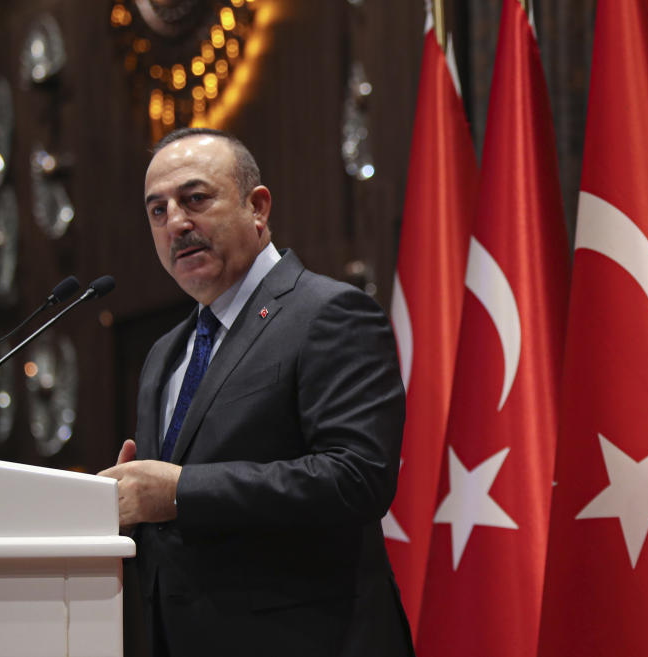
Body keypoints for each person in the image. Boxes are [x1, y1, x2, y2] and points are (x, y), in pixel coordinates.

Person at [98, 127, 414, 657]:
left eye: (195, 198)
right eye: (158, 211)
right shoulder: (164, 355)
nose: (176, 222)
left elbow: (358, 477)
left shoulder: (328, 313)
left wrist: (177, 491)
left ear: (257, 207)